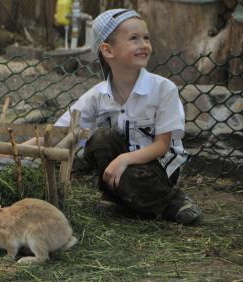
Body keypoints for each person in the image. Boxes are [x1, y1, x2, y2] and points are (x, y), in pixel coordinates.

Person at [54, 9, 202, 224]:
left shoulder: (163, 89)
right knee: (101, 138)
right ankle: (118, 197)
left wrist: (123, 159)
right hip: (117, 168)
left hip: (157, 168)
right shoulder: (98, 94)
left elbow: (162, 145)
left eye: (146, 38)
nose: (144, 44)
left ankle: (172, 200)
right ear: (108, 50)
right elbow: (61, 131)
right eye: (134, 39)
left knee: (133, 176)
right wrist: (15, 151)